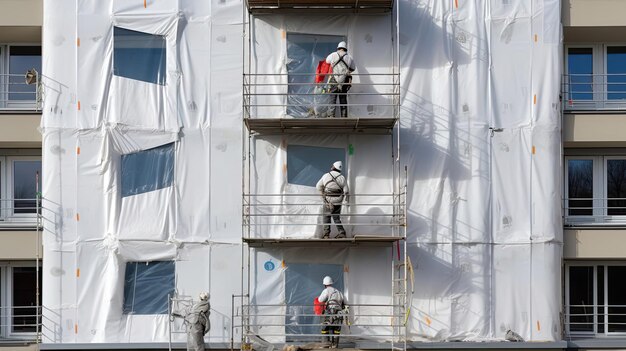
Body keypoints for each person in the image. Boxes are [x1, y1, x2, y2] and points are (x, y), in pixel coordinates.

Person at [316, 161, 349, 239]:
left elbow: (318, 186)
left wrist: (323, 194)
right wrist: (343, 198)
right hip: (338, 200)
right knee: (336, 217)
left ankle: (326, 235)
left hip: (328, 200)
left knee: (326, 217)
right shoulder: (342, 177)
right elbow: (346, 191)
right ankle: (342, 233)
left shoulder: (326, 175)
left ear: (333, 167)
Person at [326, 41, 355, 118]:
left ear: (338, 48)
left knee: (332, 99)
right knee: (343, 99)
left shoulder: (333, 55)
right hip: (344, 81)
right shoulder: (349, 57)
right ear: (345, 49)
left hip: (334, 80)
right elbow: (353, 68)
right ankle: (344, 116)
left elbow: (327, 61)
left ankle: (331, 116)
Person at [318, 276, 345, 348]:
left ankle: (326, 344)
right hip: (339, 313)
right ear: (331, 283)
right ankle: (335, 345)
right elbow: (344, 302)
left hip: (330, 312)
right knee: (336, 329)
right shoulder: (338, 292)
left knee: (325, 327)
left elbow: (320, 300)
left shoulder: (326, 290)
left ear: (324, 284)